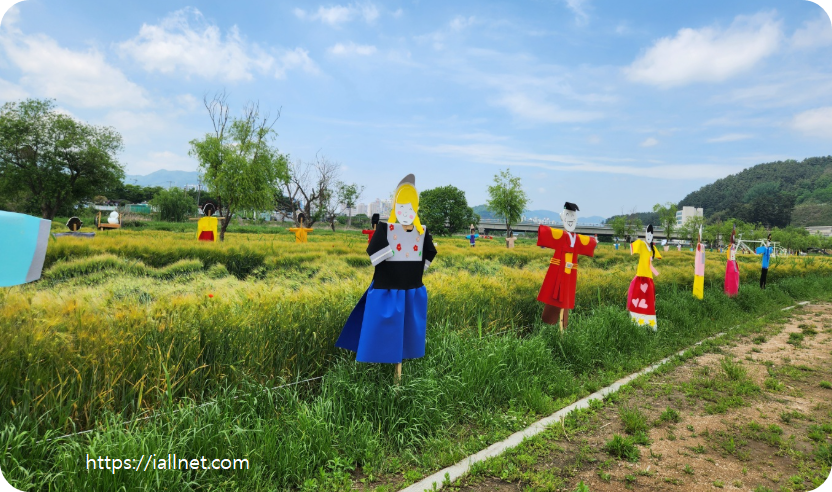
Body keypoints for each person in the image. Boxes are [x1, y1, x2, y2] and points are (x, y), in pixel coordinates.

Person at [336, 174, 438, 366]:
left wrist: (416, 268)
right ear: (394, 208)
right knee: (383, 330)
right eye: (401, 207)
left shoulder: (422, 233)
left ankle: (396, 370)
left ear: (415, 209)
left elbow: (429, 252)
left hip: (411, 286)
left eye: (409, 208)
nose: (405, 212)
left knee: (407, 330)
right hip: (388, 286)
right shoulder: (386, 230)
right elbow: (375, 252)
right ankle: (380, 365)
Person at [536, 202, 597, 329]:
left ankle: (561, 328)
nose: (571, 219)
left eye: (573, 217)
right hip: (558, 273)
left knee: (566, 299)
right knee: (555, 295)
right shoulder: (561, 235)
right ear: (562, 217)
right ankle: (552, 325)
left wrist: (594, 241)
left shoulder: (576, 238)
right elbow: (548, 233)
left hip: (570, 275)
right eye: (568, 216)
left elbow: (588, 242)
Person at [627, 225, 661, 330]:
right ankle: (636, 322)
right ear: (645, 233)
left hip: (649, 278)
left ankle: (649, 324)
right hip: (640, 277)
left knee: (649, 302)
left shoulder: (653, 248)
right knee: (636, 299)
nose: (649, 236)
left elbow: (654, 261)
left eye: (651, 234)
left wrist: (655, 272)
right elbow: (632, 247)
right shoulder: (641, 244)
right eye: (648, 233)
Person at [724, 224, 739, 297]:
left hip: (733, 262)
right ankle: (730, 293)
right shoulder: (731, 247)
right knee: (731, 279)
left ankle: (733, 293)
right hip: (731, 263)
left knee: (734, 278)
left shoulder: (732, 246)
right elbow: (730, 256)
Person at [693, 225, 705, 300]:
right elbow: (702, 259)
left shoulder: (702, 247)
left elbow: (703, 259)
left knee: (699, 281)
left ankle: (698, 296)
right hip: (699, 269)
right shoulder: (700, 246)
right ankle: (697, 295)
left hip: (700, 269)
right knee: (698, 280)